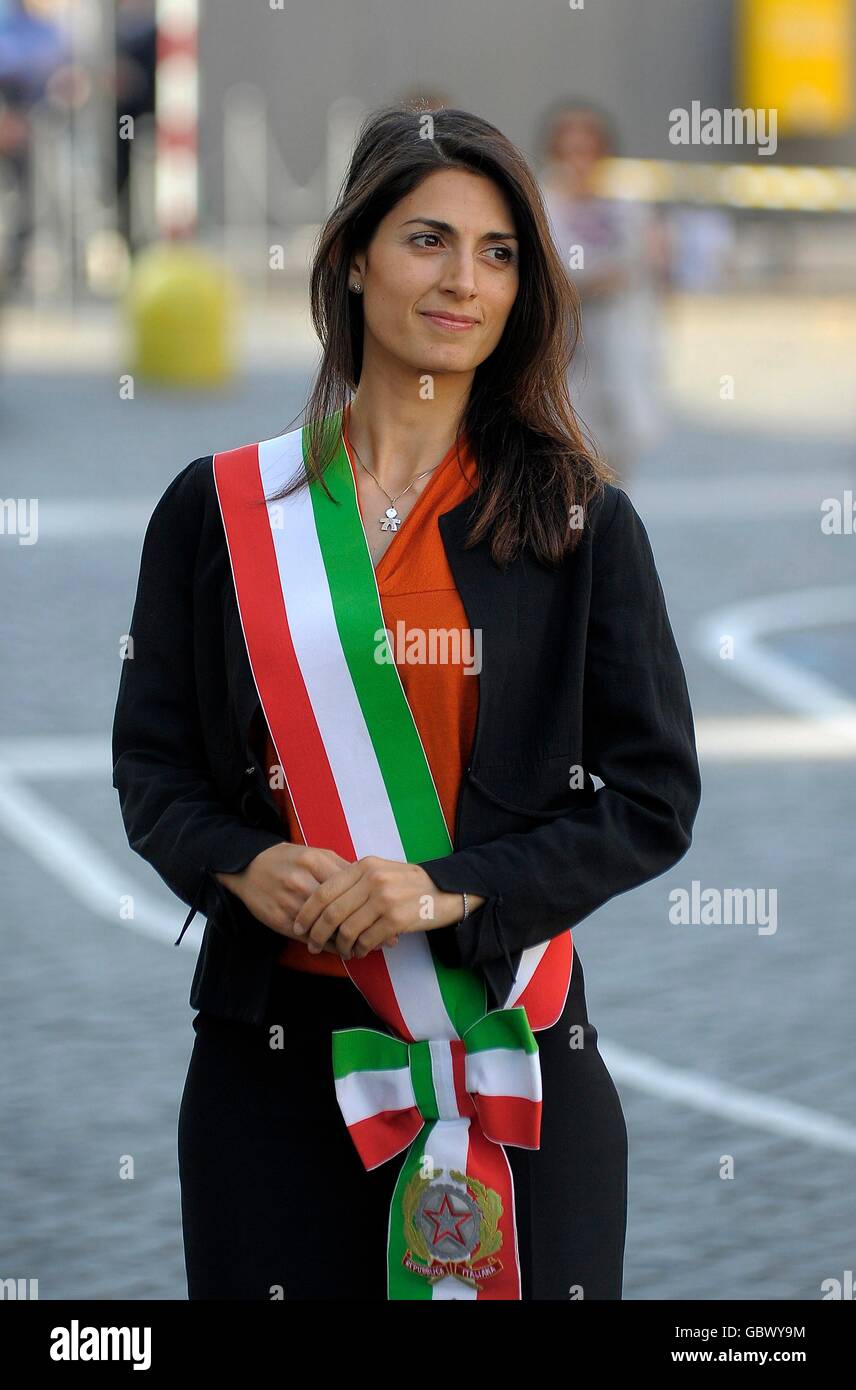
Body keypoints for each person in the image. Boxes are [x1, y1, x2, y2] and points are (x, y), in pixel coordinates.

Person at [112, 103, 701, 1301]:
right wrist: (238, 862)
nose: (465, 281)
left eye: (498, 253)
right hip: (267, 1070)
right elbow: (152, 767)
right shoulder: (218, 513)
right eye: (428, 239)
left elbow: (650, 796)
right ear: (352, 259)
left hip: (514, 1053)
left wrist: (449, 891)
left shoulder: (577, 522)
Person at [539, 100, 669, 485]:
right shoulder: (541, 205)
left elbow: (648, 267)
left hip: (619, 350)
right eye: (570, 151)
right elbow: (555, 275)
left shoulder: (628, 206)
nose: (580, 161)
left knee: (615, 465)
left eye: (589, 150)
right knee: (566, 458)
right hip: (563, 356)